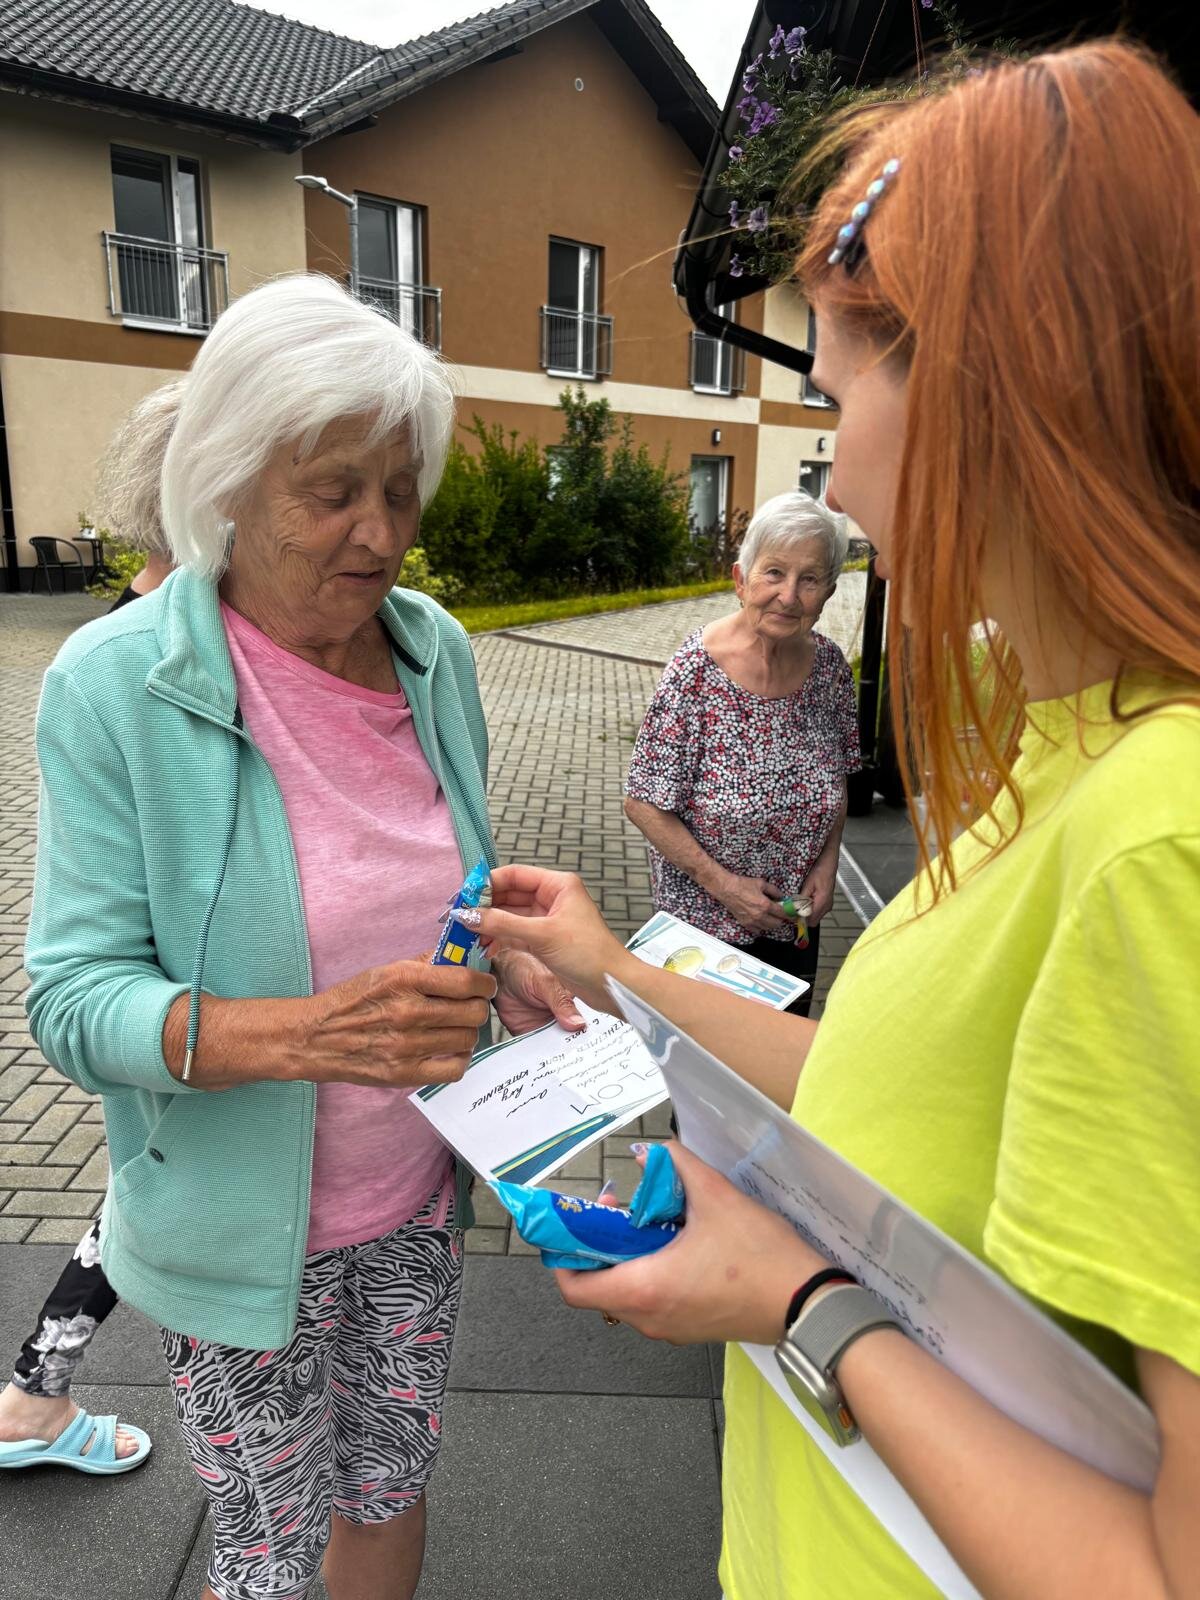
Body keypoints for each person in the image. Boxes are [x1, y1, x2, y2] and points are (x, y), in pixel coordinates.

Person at [462, 40, 1200, 1600]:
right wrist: (613, 968)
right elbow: (896, 1086)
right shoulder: (1063, 749)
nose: (837, 475)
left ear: (992, 387)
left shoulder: (1163, 840)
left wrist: (801, 1301)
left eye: (843, 388)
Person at [24, 274, 581, 1600]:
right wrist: (308, 1034)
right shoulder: (114, 684)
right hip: (235, 1227)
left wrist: (507, 962)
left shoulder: (433, 649)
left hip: (415, 1199)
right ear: (227, 479)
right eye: (334, 491)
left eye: (401, 489)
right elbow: (72, 1002)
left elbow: (447, 888)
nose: (379, 532)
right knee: (268, 1554)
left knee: (389, 1488)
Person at [0, 379, 184, 1476]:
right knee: (144, 1190)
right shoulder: (132, 653)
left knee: (136, 1190)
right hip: (172, 1011)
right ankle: (32, 1395)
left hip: (165, 1006)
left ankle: (34, 1393)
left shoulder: (139, 623)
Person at [624, 491, 857, 1015]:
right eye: (773, 572)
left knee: (776, 1055)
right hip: (703, 935)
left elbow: (837, 779)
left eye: (809, 579)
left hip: (794, 925)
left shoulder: (830, 671)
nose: (789, 596)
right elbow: (642, 803)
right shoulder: (695, 672)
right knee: (707, 1061)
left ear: (828, 592)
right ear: (740, 579)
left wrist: (827, 864)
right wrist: (726, 888)